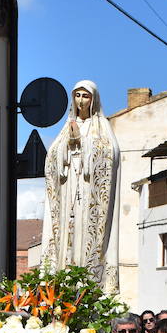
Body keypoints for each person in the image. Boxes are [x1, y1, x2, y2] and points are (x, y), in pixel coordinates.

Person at [42, 80, 122, 287]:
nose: (81, 100)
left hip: (88, 188)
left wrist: (83, 142)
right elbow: (52, 156)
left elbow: (110, 153)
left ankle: (89, 278)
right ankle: (64, 274)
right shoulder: (66, 126)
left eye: (85, 96)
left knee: (85, 230)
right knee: (68, 228)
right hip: (69, 183)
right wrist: (66, 147)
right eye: (77, 95)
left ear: (93, 99)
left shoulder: (101, 127)